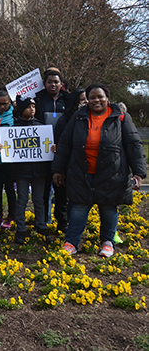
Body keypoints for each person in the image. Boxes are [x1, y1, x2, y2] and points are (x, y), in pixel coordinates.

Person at [53, 84, 146, 257]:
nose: (97, 100)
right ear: (87, 100)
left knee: (108, 208)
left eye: (100, 96)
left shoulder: (121, 117)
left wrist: (139, 173)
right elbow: (65, 144)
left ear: (107, 98)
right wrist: (58, 169)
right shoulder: (78, 117)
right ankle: (72, 242)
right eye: (92, 97)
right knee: (78, 208)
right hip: (81, 172)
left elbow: (134, 145)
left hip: (112, 173)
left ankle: (108, 242)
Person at [7, 96, 49, 244]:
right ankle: (21, 229)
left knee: (39, 200)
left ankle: (42, 227)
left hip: (39, 171)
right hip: (22, 172)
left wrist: (52, 148)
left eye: (33, 107)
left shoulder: (41, 126)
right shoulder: (15, 128)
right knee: (22, 200)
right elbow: (9, 149)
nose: (32, 109)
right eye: (28, 107)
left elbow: (46, 146)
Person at [35, 69, 70, 229]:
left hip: (62, 151)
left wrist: (62, 145)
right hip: (42, 152)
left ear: (61, 84)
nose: (53, 84)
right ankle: (42, 223)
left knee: (62, 190)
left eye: (56, 81)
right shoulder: (37, 100)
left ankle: (62, 223)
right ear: (45, 83)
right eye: (50, 82)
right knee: (43, 191)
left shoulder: (69, 100)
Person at [0, 90, 16, 228]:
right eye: (0, 104)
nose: (2, 107)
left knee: (10, 187)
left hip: (9, 158)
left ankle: (12, 215)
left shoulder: (13, 115)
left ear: (10, 103)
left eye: (5, 104)